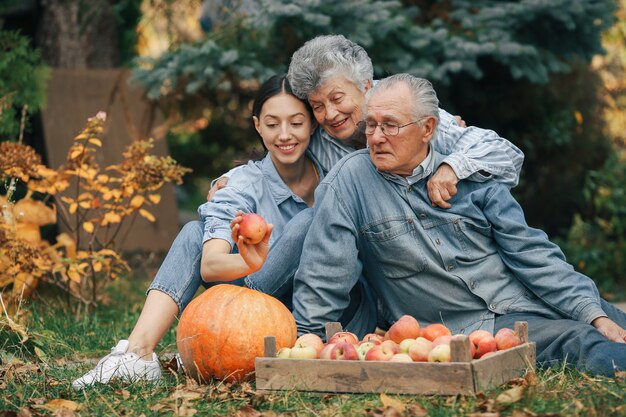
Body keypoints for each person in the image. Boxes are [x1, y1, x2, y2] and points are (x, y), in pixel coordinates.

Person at [292, 73, 626, 376]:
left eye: (390, 125)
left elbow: (535, 255)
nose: (376, 137)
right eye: (371, 125)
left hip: (531, 299)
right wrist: (302, 349)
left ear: (428, 129)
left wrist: (594, 313)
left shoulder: (470, 176)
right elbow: (324, 275)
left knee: (608, 321)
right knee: (581, 341)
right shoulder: (350, 182)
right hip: (468, 331)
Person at [217, 34, 525, 304]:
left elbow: (507, 155)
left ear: (366, 86)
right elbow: (282, 144)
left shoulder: (402, 106)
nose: (330, 114)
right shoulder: (321, 135)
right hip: (371, 258)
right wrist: (231, 178)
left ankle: (247, 309)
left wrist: (451, 166)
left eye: (337, 99)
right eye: (317, 106)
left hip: (437, 248)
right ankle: (249, 313)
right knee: (313, 220)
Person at [72, 74, 325, 389]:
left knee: (311, 218)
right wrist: (253, 259)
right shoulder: (242, 184)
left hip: (311, 309)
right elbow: (211, 265)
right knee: (194, 232)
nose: (285, 135)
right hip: (254, 302)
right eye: (273, 124)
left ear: (313, 124)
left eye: (296, 123)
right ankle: (137, 353)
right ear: (258, 126)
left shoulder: (333, 172)